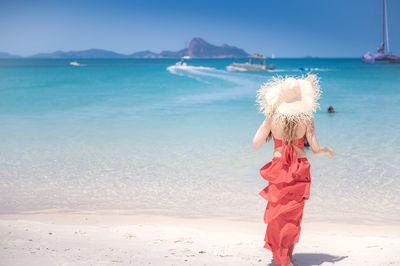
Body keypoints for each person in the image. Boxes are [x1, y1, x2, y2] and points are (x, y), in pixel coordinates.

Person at [252, 74, 335, 266]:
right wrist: (325, 150)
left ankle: (282, 257)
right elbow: (314, 148)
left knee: (278, 213)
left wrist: (270, 130)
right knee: (293, 214)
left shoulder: (272, 116)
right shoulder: (307, 118)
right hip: (299, 169)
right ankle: (287, 257)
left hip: (278, 168)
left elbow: (255, 144)